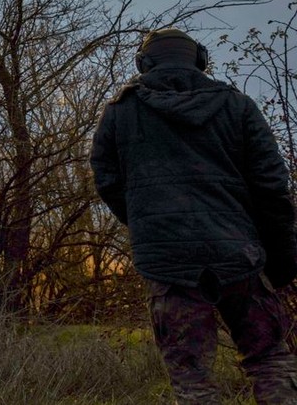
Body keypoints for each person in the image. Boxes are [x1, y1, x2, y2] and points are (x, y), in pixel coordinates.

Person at [91, 27, 297, 403]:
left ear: (144, 63)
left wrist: (149, 226)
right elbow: (272, 186)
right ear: (199, 61)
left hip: (169, 266)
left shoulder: (120, 111)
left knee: (192, 380)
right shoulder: (238, 105)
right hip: (241, 256)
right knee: (270, 361)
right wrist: (282, 259)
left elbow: (107, 181)